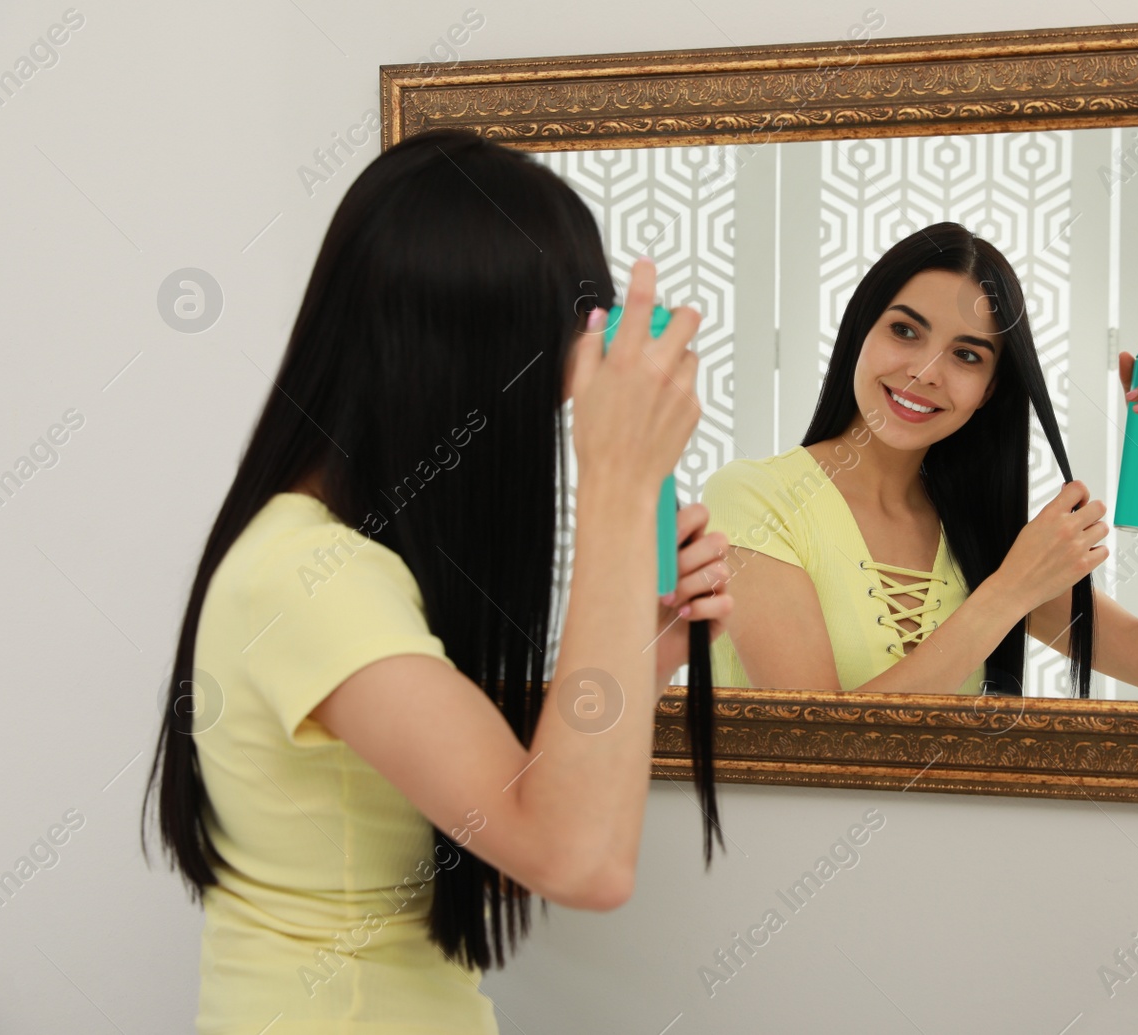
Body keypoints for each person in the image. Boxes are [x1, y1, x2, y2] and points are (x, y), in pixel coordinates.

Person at [139, 127, 734, 1034]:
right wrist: (617, 489)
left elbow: (501, 822)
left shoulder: (330, 557)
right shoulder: (309, 577)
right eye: (550, 379)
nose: (563, 411)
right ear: (473, 369)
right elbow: (583, 863)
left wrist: (643, 652)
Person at [702, 221, 1138, 699]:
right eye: (905, 331)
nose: (924, 373)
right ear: (861, 328)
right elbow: (815, 739)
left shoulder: (987, 539)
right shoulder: (751, 497)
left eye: (966, 355)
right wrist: (1010, 592)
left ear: (989, 390)